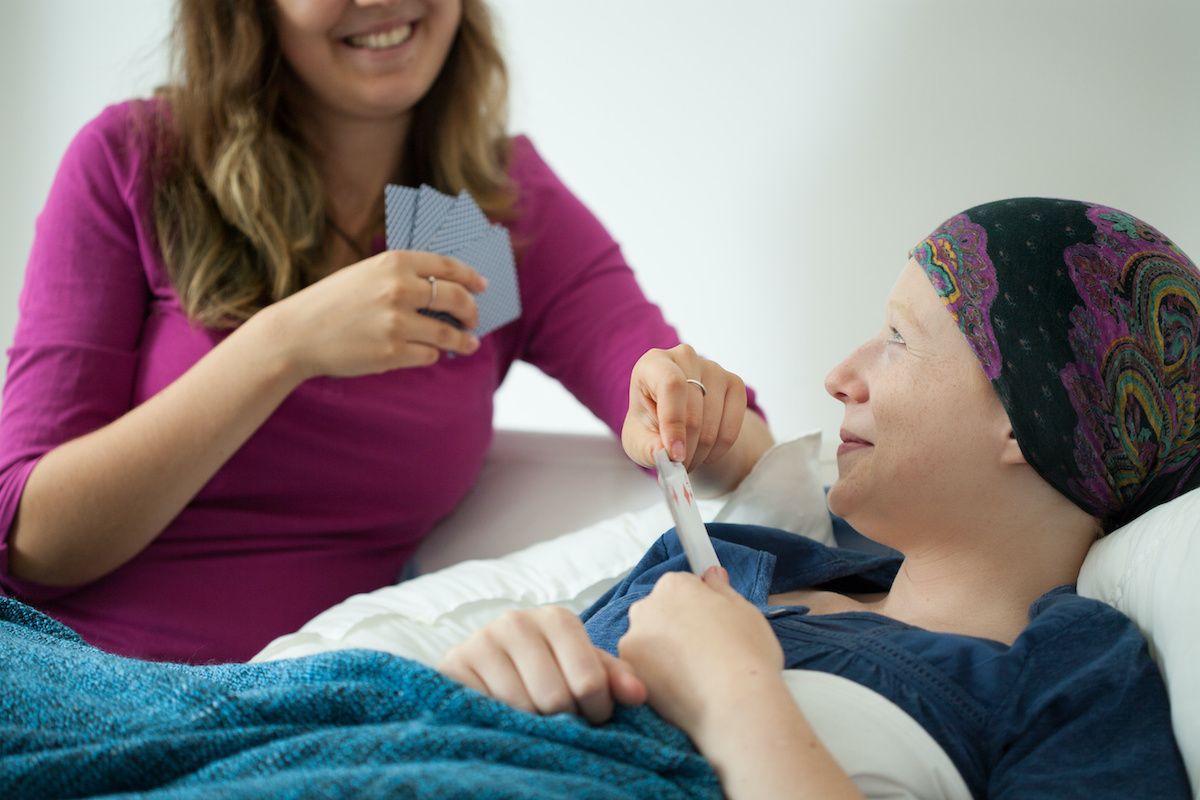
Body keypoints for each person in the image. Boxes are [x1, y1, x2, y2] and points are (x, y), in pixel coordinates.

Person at [0, 0, 772, 664]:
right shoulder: (142, 164)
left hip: (323, 697)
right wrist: (282, 346)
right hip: (75, 661)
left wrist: (682, 407)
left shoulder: (467, 215)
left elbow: (716, 430)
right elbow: (32, 545)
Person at [437, 198, 1196, 798]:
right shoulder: (740, 560)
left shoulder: (1073, 675)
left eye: (898, 338)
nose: (839, 375)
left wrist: (733, 694)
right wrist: (489, 676)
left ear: (1029, 419)